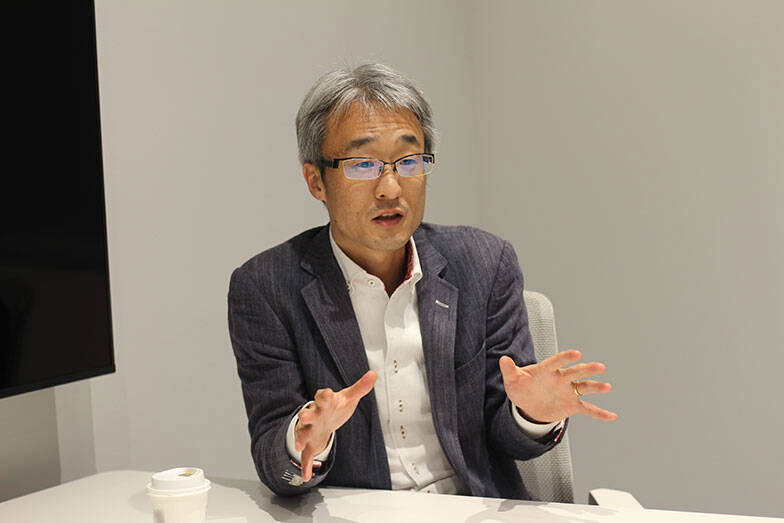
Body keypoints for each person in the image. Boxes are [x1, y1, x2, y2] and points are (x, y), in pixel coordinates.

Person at [228, 63, 616, 499]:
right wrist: (305, 441)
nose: (391, 188)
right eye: (363, 164)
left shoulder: (484, 263)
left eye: (409, 161)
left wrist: (533, 414)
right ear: (316, 180)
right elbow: (274, 458)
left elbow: (508, 437)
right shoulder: (266, 287)